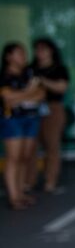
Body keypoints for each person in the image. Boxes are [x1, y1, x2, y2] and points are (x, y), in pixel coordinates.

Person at [2, 42, 44, 210]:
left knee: (25, 157)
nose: (24, 56)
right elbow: (8, 99)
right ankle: (13, 197)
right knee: (14, 157)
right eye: (19, 53)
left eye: (24, 53)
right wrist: (29, 91)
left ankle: (20, 192)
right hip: (12, 120)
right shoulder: (4, 76)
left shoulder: (29, 73)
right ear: (9, 57)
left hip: (31, 118)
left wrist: (21, 96)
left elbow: (40, 94)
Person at [29, 38, 70, 193]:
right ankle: (29, 181)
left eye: (43, 49)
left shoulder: (59, 69)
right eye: (37, 49)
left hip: (53, 109)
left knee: (52, 146)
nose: (39, 52)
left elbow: (62, 87)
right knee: (30, 147)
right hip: (32, 109)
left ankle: (50, 181)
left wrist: (42, 81)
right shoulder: (31, 68)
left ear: (51, 50)